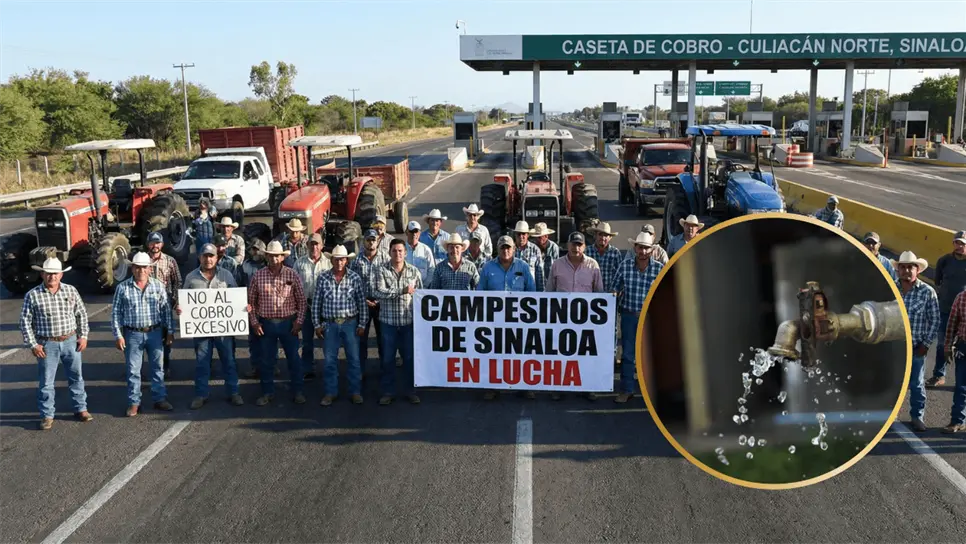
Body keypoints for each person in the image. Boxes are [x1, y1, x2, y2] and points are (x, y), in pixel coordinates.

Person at [19, 257, 91, 430]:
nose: (52, 277)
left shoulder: (71, 291)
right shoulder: (33, 295)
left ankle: (81, 408)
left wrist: (83, 336)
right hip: (47, 344)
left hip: (71, 341)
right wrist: (33, 344)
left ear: (61, 275)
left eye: (55, 273)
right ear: (42, 274)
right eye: (48, 273)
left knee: (76, 377)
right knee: (46, 382)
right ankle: (47, 415)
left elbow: (81, 314)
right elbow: (25, 322)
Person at [112, 252, 175, 417]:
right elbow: (116, 313)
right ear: (132, 268)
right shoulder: (122, 288)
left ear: (149, 269)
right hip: (132, 333)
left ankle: (159, 398)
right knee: (133, 370)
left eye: (144, 267)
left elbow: (166, 310)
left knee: (158, 368)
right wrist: (118, 335)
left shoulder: (158, 286)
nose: (141, 270)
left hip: (155, 332)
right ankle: (134, 402)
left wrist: (170, 331)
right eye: (137, 267)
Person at [181, 244, 243, 409]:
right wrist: (180, 308)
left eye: (211, 256)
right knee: (202, 363)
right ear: (199, 257)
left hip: (224, 329)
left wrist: (244, 307)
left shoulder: (226, 275)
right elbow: (184, 300)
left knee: (229, 361)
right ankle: (201, 394)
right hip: (201, 329)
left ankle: (233, 392)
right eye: (205, 256)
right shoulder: (191, 277)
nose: (208, 259)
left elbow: (235, 298)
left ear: (217, 258)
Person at [546, 231, 605, 401]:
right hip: (561, 317)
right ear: (567, 245)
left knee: (585, 354)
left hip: (585, 319)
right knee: (560, 353)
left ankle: (588, 387)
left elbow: (599, 293)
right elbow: (549, 291)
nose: (576, 248)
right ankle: (558, 386)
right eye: (573, 244)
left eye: (579, 245)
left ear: (584, 247)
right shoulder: (557, 265)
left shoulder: (593, 265)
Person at [479, 235, 537, 401]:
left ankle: (524, 386)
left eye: (508, 247)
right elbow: (479, 293)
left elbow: (532, 291)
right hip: (494, 319)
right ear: (497, 249)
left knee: (521, 352)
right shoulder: (487, 267)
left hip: (519, 319)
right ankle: (492, 387)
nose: (505, 250)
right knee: (494, 352)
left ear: (514, 249)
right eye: (502, 247)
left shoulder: (523, 266)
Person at [249, 240, 306, 407]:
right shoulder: (258, 276)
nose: (274, 259)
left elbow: (302, 301)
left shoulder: (292, 274)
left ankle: (298, 391)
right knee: (266, 361)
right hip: (266, 324)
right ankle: (267, 392)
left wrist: (299, 321)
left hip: (288, 324)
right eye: (271, 256)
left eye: (277, 256)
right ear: (267, 257)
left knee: (294, 359)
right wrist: (254, 323)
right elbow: (251, 303)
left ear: (282, 257)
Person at [612, 232, 664, 404]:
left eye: (646, 248)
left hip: (650, 318)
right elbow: (614, 287)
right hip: (629, 315)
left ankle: (651, 392)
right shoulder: (625, 266)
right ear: (635, 248)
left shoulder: (659, 269)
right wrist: (613, 295)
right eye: (640, 247)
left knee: (651, 356)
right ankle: (627, 390)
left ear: (651, 250)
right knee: (628, 355)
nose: (643, 251)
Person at [890, 251, 940, 432]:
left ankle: (917, 417)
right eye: (902, 267)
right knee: (893, 383)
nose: (906, 270)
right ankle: (891, 416)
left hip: (916, 347)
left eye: (910, 267)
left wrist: (926, 344)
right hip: (894, 346)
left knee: (917, 385)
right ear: (898, 270)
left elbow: (935, 320)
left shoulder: (927, 292)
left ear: (917, 270)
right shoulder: (891, 289)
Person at [313, 244, 369, 406]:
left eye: (342, 259)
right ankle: (330, 392)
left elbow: (361, 302)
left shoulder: (354, 278)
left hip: (350, 322)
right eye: (336, 259)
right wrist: (317, 324)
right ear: (332, 260)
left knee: (354, 360)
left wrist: (362, 324)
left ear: (347, 261)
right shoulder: (323, 278)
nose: (339, 262)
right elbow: (316, 302)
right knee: (330, 361)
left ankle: (355, 392)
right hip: (330, 324)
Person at [372, 239, 424, 406]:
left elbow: (420, 295)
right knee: (388, 359)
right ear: (389, 252)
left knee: (409, 358)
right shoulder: (381, 270)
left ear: (405, 253)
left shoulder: (414, 271)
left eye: (400, 250)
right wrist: (402, 291)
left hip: (408, 322)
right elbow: (379, 292)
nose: (397, 253)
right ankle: (388, 392)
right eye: (394, 250)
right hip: (388, 322)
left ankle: (411, 391)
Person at [928, 230, 966, 388]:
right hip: (945, 309)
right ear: (953, 244)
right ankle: (938, 375)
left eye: (963, 244)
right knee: (942, 344)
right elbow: (938, 282)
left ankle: (962, 381)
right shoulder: (944, 261)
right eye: (957, 243)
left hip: (964, 312)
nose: (959, 246)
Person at [350, 229, 390, 380]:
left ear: (378, 241)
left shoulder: (386, 258)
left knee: (383, 339)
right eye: (368, 240)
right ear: (363, 241)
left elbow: (390, 280)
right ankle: (359, 371)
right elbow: (351, 283)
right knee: (361, 339)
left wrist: (381, 298)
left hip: (381, 303)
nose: (371, 242)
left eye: (373, 240)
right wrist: (362, 300)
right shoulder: (356, 261)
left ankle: (385, 370)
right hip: (363, 303)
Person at [294, 233, 332, 381]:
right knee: (307, 341)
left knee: (327, 340)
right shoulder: (299, 263)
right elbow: (293, 285)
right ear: (307, 245)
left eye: (317, 244)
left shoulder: (328, 263)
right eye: (312, 244)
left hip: (324, 307)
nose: (314, 247)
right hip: (307, 306)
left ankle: (330, 368)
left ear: (322, 246)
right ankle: (307, 369)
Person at [145, 231, 181, 379]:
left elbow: (177, 281)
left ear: (162, 244)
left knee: (166, 337)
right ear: (148, 244)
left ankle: (165, 366)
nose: (155, 245)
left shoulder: (170, 260)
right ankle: (150, 367)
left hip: (164, 304)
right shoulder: (142, 260)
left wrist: (175, 299)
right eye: (152, 243)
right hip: (145, 305)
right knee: (146, 336)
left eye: (158, 243)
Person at [237, 239, 274, 380]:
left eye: (258, 249)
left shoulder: (270, 265)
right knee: (253, 340)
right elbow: (240, 284)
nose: (255, 252)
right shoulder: (245, 265)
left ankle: (273, 365)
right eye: (253, 249)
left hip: (268, 307)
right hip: (250, 307)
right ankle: (256, 367)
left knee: (270, 339)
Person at [942, 287, 966, 434]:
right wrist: (947, 346)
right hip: (964, 346)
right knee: (961, 387)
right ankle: (958, 421)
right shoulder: (962, 297)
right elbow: (951, 324)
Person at [585, 222, 623, 293]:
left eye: (606, 235)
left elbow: (620, 275)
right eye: (600, 234)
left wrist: (615, 290)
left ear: (610, 238)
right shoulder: (587, 251)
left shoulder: (615, 253)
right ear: (595, 235)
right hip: (590, 294)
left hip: (609, 294)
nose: (602, 238)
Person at [510, 220, 546, 291]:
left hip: (530, 291)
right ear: (515, 235)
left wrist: (541, 293)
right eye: (519, 234)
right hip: (513, 291)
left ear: (528, 235)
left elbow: (539, 274)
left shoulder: (535, 250)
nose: (521, 236)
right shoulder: (509, 250)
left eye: (523, 234)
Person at [404, 220, 437, 286]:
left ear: (419, 233)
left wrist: (424, 286)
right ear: (406, 232)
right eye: (411, 231)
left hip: (423, 288)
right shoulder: (400, 249)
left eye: (416, 231)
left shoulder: (426, 249)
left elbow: (431, 269)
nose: (414, 234)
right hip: (405, 288)